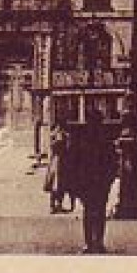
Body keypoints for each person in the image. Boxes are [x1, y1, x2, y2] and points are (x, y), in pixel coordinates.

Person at [70, 106, 120, 254]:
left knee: (90, 212)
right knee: (98, 212)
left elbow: (74, 162)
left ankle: (90, 243)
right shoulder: (105, 139)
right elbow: (112, 162)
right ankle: (97, 242)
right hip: (97, 182)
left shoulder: (82, 139)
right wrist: (109, 179)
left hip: (91, 181)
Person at [44, 120, 75, 213]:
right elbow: (54, 147)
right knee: (56, 184)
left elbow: (68, 148)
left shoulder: (65, 135)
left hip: (62, 161)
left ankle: (58, 204)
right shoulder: (56, 135)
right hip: (57, 161)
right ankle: (53, 205)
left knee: (61, 184)